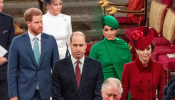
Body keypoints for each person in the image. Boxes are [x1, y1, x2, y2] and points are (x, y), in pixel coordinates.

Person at [8, 8, 59, 100]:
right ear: (28, 23)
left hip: (45, 93)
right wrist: (13, 95)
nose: (40, 25)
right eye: (37, 22)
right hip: (24, 93)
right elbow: (11, 71)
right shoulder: (17, 42)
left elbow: (56, 69)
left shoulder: (51, 40)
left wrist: (57, 92)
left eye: (41, 21)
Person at [52, 31, 104, 100]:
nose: (78, 49)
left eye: (81, 45)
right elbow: (56, 95)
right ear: (70, 45)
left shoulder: (96, 66)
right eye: (75, 45)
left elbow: (98, 95)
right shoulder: (59, 66)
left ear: (85, 45)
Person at [121, 26, 165, 100]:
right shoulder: (128, 68)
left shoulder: (159, 67)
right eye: (142, 49)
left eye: (148, 49)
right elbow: (123, 95)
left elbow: (162, 95)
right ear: (137, 51)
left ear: (152, 49)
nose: (146, 52)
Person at [90, 15, 132, 81]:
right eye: (106, 30)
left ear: (116, 31)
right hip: (103, 83)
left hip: (121, 83)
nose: (109, 33)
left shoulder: (123, 45)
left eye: (112, 29)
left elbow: (129, 68)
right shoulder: (95, 48)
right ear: (102, 31)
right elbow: (92, 72)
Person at [0, 0, 15, 99]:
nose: (1, 5)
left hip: (4, 71)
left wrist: (4, 58)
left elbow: (12, 43)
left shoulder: (8, 20)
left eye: (2, 2)